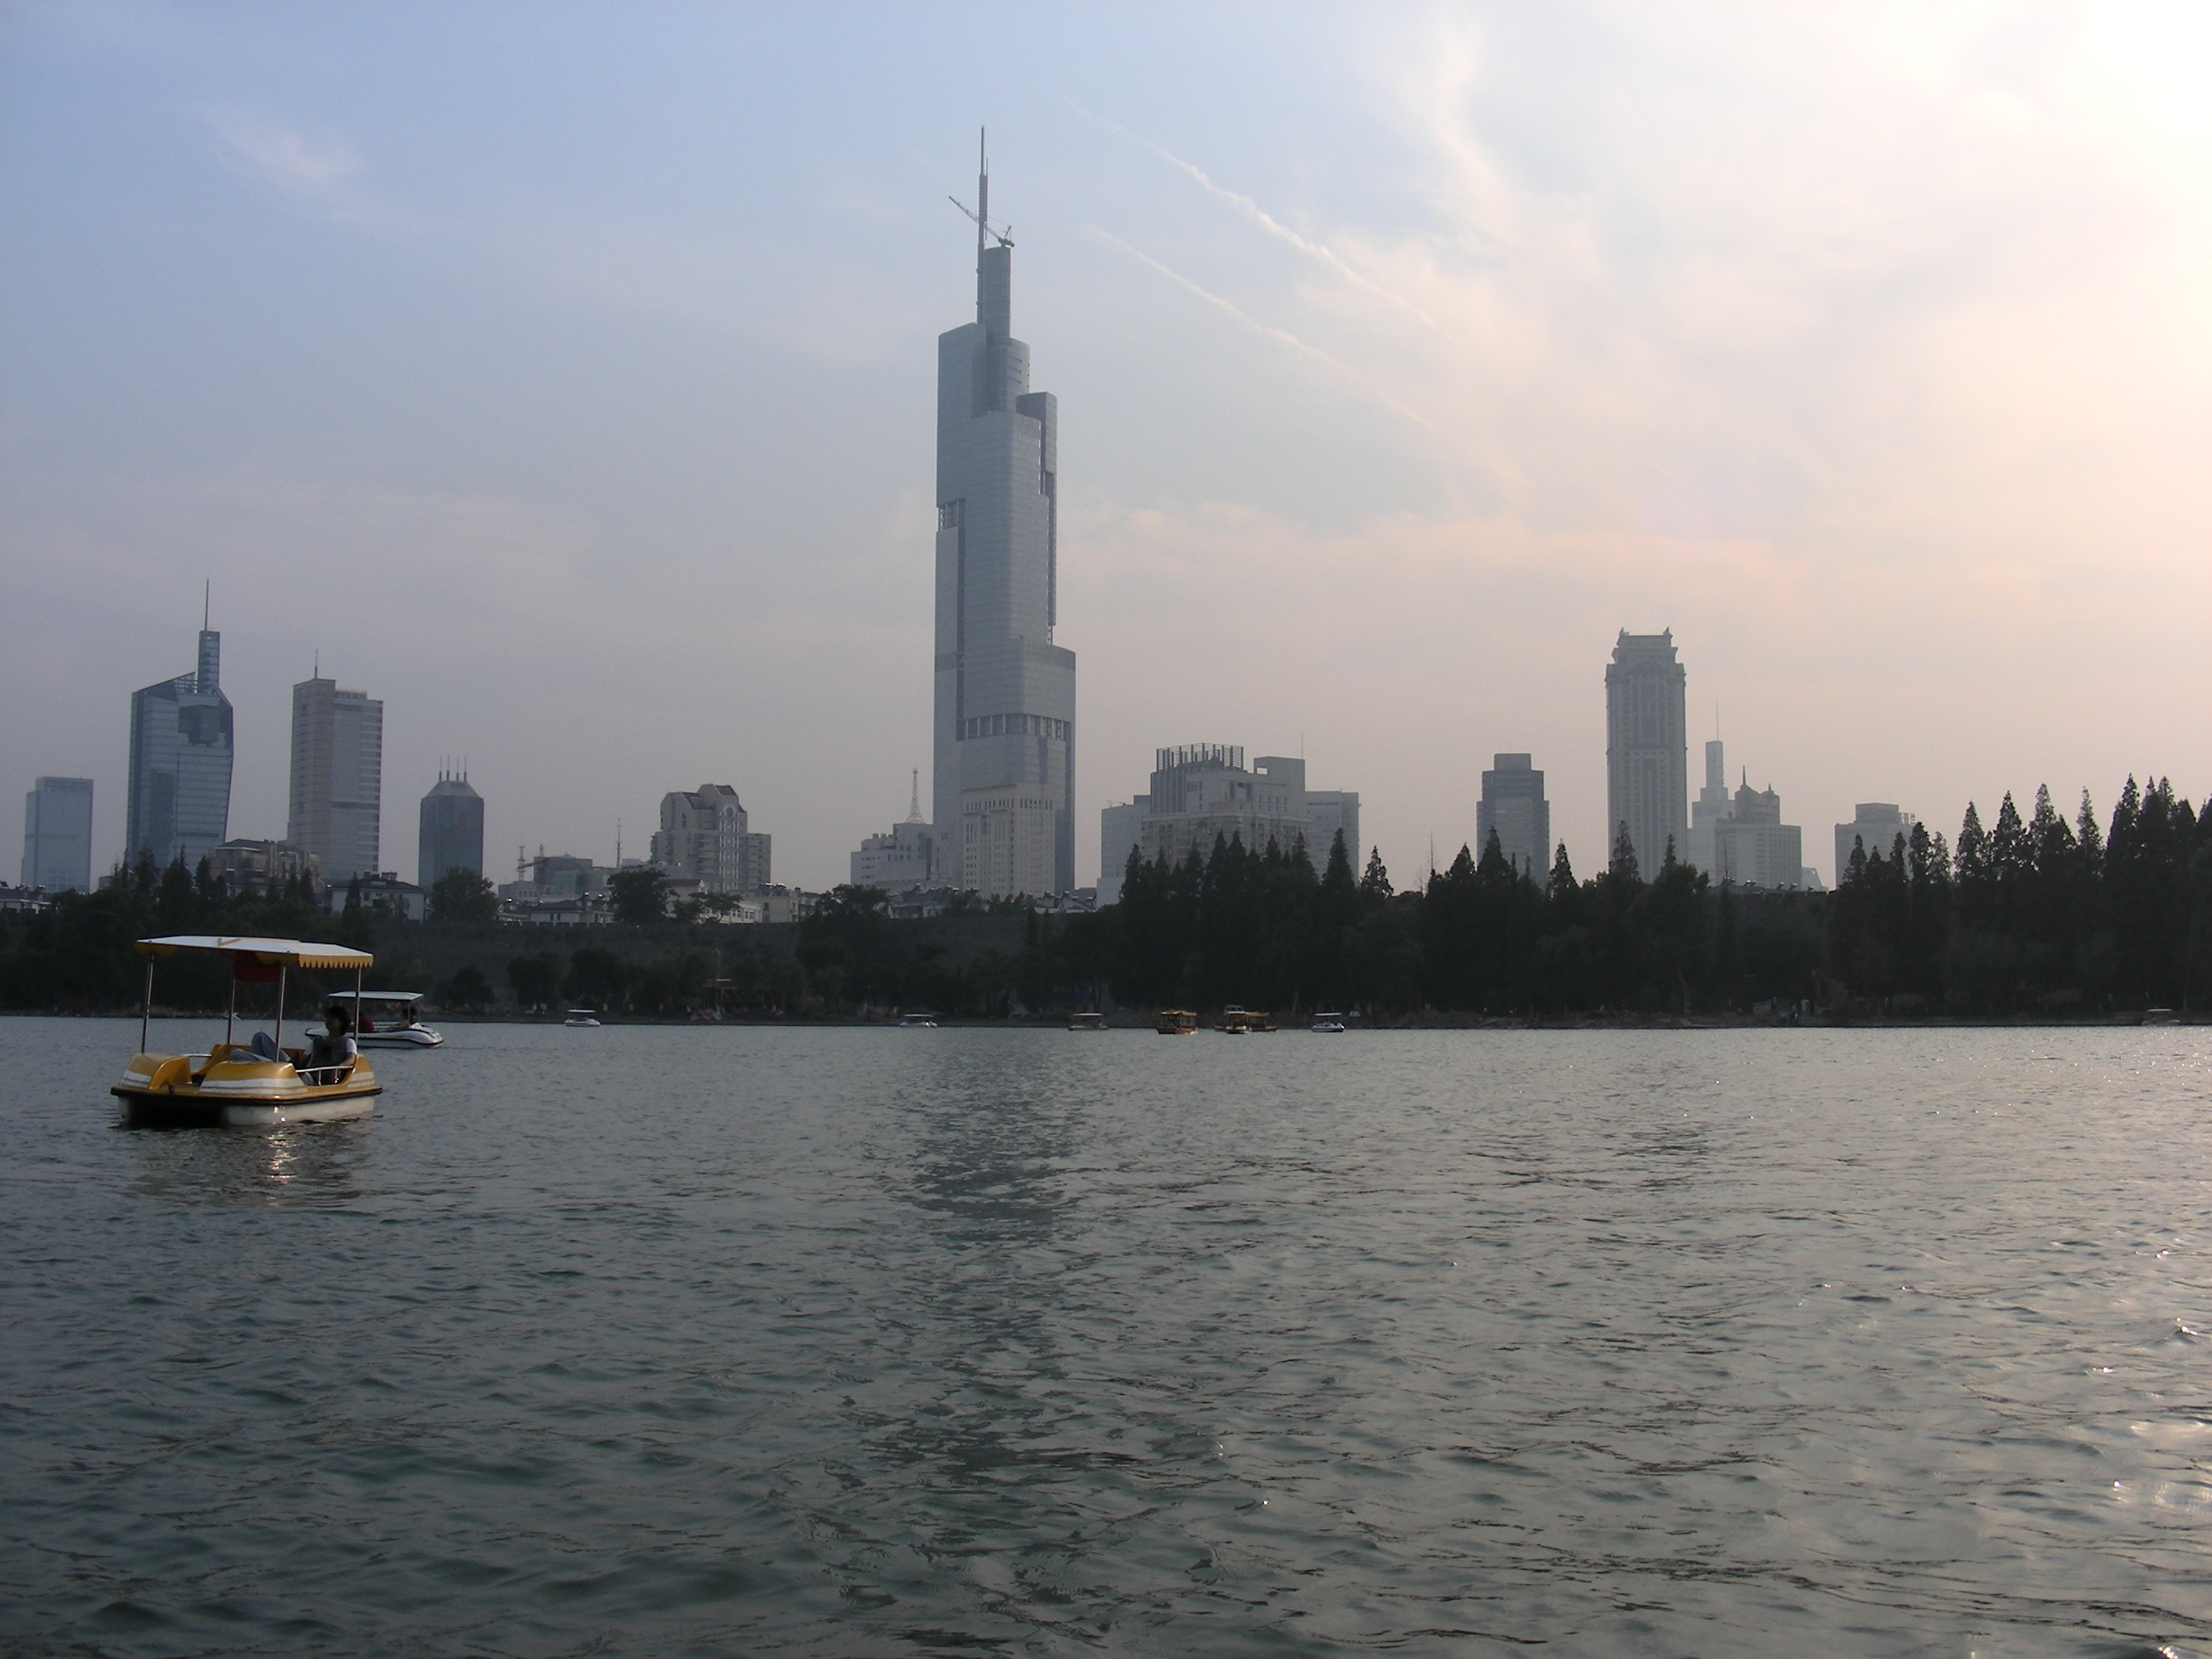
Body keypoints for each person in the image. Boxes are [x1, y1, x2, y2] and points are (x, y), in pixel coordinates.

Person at [302, 1005, 358, 1084]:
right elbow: (305, 1058)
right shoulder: (317, 1040)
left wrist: (338, 1067)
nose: (328, 1021)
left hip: (332, 1078)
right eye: (326, 1018)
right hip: (312, 1077)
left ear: (341, 1021)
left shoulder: (348, 1042)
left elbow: (351, 1059)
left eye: (332, 1018)